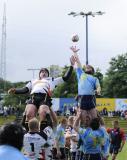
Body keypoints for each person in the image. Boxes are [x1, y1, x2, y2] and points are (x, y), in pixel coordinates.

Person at [8, 56, 75, 131]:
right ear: (39, 74)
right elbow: (25, 89)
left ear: (48, 75)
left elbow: (66, 77)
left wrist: (71, 65)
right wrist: (15, 90)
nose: (44, 73)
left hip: (45, 98)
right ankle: (28, 134)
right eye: (42, 72)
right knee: (29, 114)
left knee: (43, 113)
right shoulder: (33, 81)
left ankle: (44, 135)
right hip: (33, 97)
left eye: (46, 72)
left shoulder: (52, 80)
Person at [70, 46, 101, 123]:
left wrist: (98, 90)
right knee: (83, 120)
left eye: (89, 67)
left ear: (92, 71)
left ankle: (95, 131)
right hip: (82, 98)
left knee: (94, 119)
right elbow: (78, 62)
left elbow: (98, 86)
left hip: (90, 98)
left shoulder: (94, 78)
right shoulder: (81, 74)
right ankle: (84, 133)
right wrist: (75, 52)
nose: (87, 67)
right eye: (86, 67)